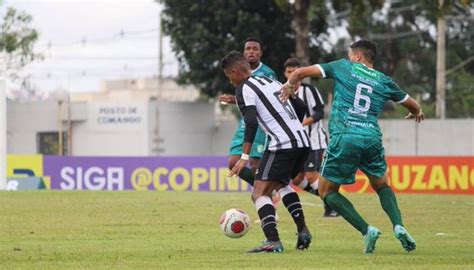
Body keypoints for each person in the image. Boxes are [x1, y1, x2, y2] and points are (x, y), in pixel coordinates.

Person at [281, 40, 423, 254]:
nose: (348, 58)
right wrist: (416, 112)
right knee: (382, 185)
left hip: (345, 135)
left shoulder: (343, 67)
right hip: (371, 137)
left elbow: (300, 72)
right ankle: (398, 225)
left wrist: (289, 85)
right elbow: (413, 103)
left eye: (350, 55)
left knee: (326, 191)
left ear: (357, 57)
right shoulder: (384, 80)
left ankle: (367, 230)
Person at [221, 51, 312, 253]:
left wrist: (244, 157)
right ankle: (302, 230)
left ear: (235, 72)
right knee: (281, 184)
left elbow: (251, 121)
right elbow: (301, 106)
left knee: (259, 193)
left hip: (283, 144)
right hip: (303, 141)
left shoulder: (243, 88)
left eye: (229, 76)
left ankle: (273, 240)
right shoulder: (268, 81)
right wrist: (291, 126)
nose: (230, 81)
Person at [283, 58, 339, 218]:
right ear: (285, 73)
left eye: (295, 71)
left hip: (314, 140)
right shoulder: (282, 91)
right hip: (296, 142)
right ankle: (331, 200)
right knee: (297, 178)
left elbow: (320, 113)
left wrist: (302, 123)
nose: (292, 74)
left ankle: (331, 205)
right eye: (289, 71)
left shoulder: (309, 90)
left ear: (300, 72)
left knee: (311, 174)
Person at [218, 37, 277, 187]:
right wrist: (234, 99)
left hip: (261, 124)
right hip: (245, 122)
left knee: (256, 164)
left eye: (254, 49)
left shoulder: (268, 74)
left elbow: (266, 101)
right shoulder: (237, 73)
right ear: (243, 53)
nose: (251, 52)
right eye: (248, 49)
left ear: (260, 53)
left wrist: (235, 99)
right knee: (232, 162)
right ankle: (263, 190)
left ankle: (265, 194)